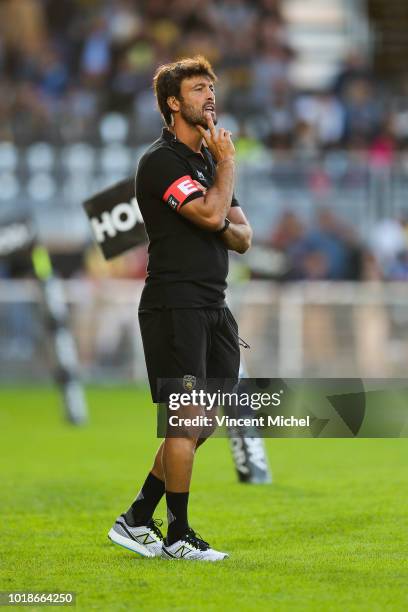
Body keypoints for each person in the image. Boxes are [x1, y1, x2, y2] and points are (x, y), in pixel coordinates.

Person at [108, 56, 252, 561]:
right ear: (174, 102)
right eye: (198, 88)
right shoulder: (162, 161)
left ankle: (136, 518)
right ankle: (178, 536)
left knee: (200, 422)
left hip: (214, 306)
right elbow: (217, 213)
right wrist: (226, 173)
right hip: (176, 305)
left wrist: (217, 200)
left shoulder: (210, 161)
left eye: (212, 86)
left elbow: (242, 237)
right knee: (183, 422)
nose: (210, 95)